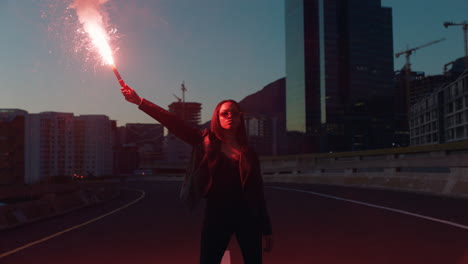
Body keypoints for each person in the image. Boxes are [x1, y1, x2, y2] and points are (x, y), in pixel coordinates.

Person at [121, 84, 273, 264]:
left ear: (240, 118)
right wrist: (139, 101)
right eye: (224, 113)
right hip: (217, 213)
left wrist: (267, 229)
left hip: (248, 215)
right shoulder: (205, 140)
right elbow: (174, 122)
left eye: (234, 112)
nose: (229, 115)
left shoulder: (249, 153)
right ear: (217, 118)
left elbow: (258, 192)